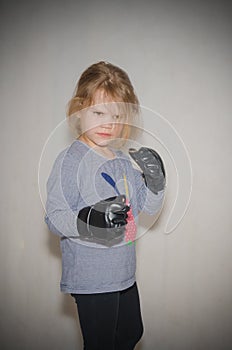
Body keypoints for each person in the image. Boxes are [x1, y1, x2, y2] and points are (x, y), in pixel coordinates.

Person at [45, 61, 166, 350]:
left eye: (116, 116)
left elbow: (145, 207)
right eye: (98, 112)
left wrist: (156, 183)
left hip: (123, 271)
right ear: (78, 110)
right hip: (92, 275)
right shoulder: (71, 160)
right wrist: (90, 219)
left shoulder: (123, 159)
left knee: (131, 333)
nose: (107, 124)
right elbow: (53, 217)